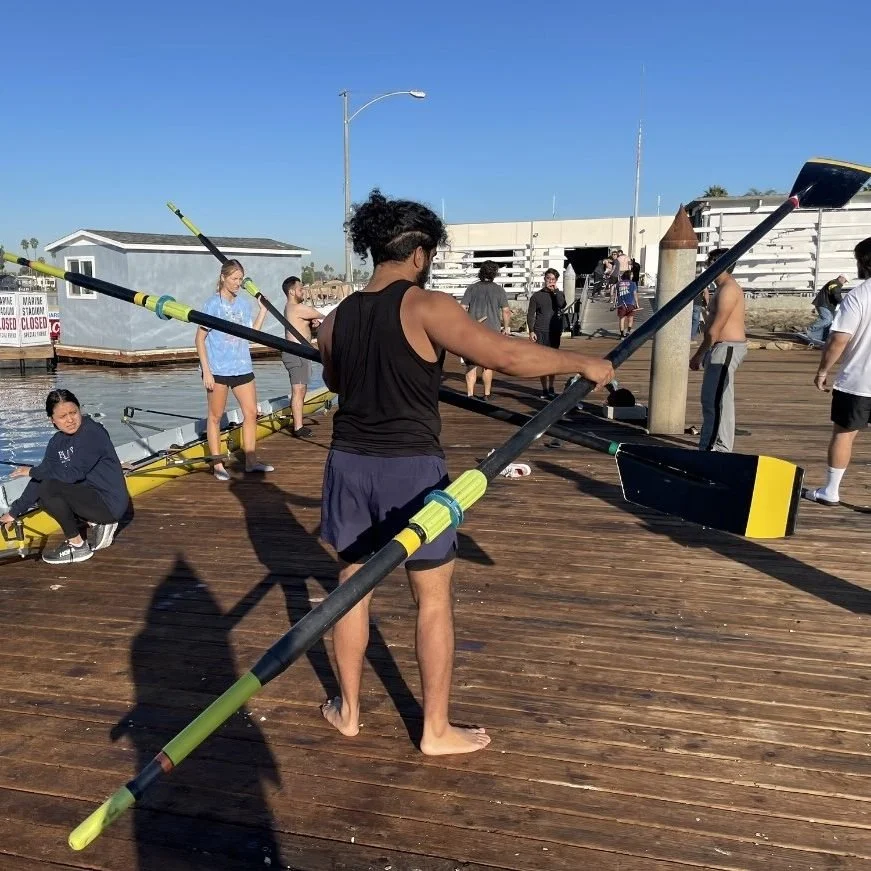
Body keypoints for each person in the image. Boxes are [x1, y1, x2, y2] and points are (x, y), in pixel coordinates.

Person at [315, 189, 613, 755]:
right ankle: (434, 731)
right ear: (420, 254)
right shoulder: (427, 307)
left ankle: (349, 713)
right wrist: (583, 362)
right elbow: (504, 357)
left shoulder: (335, 318)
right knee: (430, 599)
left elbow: (334, 384)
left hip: (348, 464)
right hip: (411, 470)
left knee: (351, 590)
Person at [0, 389, 129, 564]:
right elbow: (42, 475)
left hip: (110, 503)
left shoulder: (92, 432)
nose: (70, 420)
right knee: (43, 494)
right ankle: (95, 522)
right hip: (90, 497)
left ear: (79, 410)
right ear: (52, 420)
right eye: (62, 416)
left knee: (49, 487)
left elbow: (72, 474)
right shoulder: (56, 442)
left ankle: (78, 547)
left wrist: (30, 471)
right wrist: (14, 512)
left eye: (73, 413)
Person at [802, 240, 871, 506]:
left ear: (863, 262)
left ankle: (831, 490)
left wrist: (823, 370)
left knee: (844, 434)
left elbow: (838, 340)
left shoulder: (858, 296)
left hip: (858, 382)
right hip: (858, 382)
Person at [195, 260, 273, 481]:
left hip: (241, 366)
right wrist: (207, 372)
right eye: (235, 279)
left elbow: (251, 336)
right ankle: (218, 464)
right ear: (223, 278)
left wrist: (263, 311)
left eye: (241, 279)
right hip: (218, 368)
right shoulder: (212, 305)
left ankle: (251, 461)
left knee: (251, 413)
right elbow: (199, 339)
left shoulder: (242, 305)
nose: (238, 283)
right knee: (215, 416)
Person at [689, 247, 747, 452]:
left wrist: (698, 354)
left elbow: (714, 330)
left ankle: (717, 449)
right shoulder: (721, 289)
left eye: (709, 263)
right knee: (711, 399)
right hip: (719, 349)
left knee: (717, 401)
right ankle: (710, 445)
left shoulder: (729, 290)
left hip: (726, 348)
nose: (706, 267)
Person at [281, 276, 326, 438]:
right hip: (296, 353)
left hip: (301, 353)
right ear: (292, 291)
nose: (303, 291)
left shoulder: (292, 309)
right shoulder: (296, 308)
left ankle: (298, 424)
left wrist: (314, 324)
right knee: (298, 390)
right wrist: (316, 319)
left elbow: (308, 326)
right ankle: (298, 428)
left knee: (302, 389)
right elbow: (323, 314)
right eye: (300, 289)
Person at [460, 260, 511, 400]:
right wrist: (506, 328)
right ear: (494, 273)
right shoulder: (499, 290)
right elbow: (506, 311)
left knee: (471, 364)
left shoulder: (472, 288)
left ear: (481, 272)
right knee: (488, 365)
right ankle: (486, 394)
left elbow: (462, 308)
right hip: (492, 332)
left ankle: (470, 395)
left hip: (473, 331)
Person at [526, 268, 567, 399]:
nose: (550, 281)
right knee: (543, 361)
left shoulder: (559, 294)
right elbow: (530, 315)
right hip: (540, 331)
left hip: (554, 331)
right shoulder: (536, 296)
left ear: (556, 281)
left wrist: (555, 292)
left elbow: (562, 304)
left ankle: (551, 387)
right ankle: (544, 389)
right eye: (548, 279)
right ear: (544, 279)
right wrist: (531, 331)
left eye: (553, 279)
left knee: (553, 360)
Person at [799, 275, 849, 348]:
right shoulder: (835, 283)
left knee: (829, 321)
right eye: (845, 281)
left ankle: (820, 337)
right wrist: (842, 301)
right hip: (823, 304)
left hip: (826, 305)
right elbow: (835, 294)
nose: (844, 283)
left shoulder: (835, 283)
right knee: (826, 319)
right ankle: (810, 329)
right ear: (841, 278)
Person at [612, 270, 639, 337]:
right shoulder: (633, 283)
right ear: (629, 275)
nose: (632, 276)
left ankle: (621, 334)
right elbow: (635, 294)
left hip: (621, 304)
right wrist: (637, 303)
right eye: (631, 275)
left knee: (622, 319)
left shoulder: (618, 283)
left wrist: (614, 304)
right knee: (630, 318)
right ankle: (628, 331)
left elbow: (616, 295)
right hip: (630, 303)